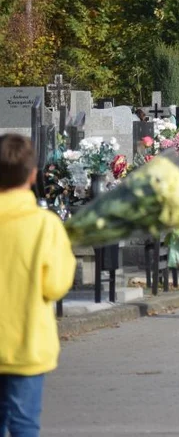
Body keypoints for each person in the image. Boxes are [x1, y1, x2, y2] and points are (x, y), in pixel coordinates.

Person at [0, 135, 74, 436]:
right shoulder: (45, 225)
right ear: (33, 175)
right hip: (26, 342)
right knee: (23, 423)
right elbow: (55, 286)